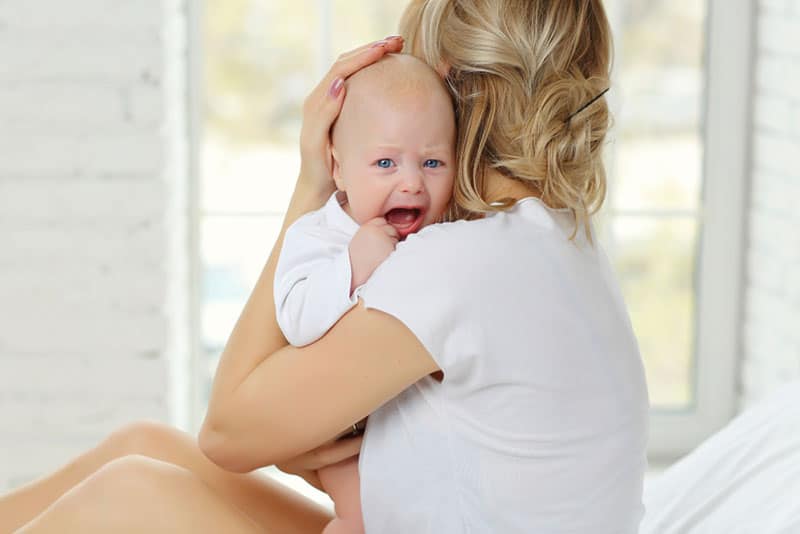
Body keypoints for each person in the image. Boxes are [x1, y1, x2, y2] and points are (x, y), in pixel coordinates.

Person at [0, 1, 650, 532]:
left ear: (448, 80)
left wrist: (317, 183)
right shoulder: (551, 237)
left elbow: (228, 429)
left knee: (130, 493)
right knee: (143, 445)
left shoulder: (464, 265)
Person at [273, 53, 457, 534]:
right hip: (339, 424)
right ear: (338, 169)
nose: (412, 181)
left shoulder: (443, 237)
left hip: (402, 421)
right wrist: (352, 266)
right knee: (360, 516)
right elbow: (294, 319)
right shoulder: (319, 238)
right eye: (385, 162)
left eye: (433, 161)